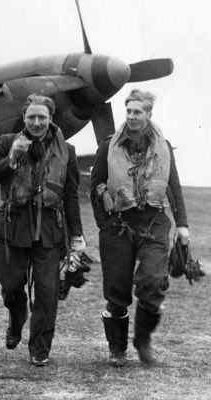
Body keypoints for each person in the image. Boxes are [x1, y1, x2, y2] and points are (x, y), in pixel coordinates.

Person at [90, 89, 189, 367]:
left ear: (149, 115)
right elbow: (95, 186)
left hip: (154, 221)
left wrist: (182, 225)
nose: (132, 116)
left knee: (154, 281)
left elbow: (174, 187)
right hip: (118, 225)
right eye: (129, 111)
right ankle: (117, 349)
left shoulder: (163, 148)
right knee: (117, 289)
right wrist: (104, 223)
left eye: (138, 112)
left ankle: (142, 340)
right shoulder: (108, 146)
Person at [0, 94, 84, 367]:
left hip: (49, 229)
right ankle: (17, 318)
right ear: (24, 119)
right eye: (31, 117)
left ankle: (39, 348)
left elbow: (71, 197)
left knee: (48, 291)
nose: (37, 123)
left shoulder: (68, 151)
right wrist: (12, 158)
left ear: (51, 119)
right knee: (10, 285)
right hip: (12, 225)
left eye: (42, 117)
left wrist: (77, 236)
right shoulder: (6, 142)